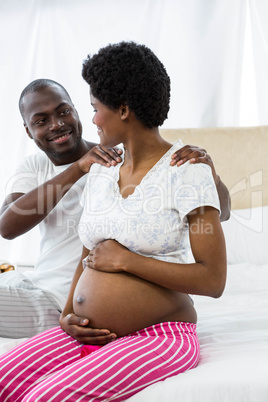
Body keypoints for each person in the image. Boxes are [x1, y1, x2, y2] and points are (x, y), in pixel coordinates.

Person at [0, 41, 227, 401]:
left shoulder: (187, 169)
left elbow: (213, 280)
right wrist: (69, 313)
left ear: (123, 110)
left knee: (43, 397)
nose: (89, 120)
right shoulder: (102, 168)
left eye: (93, 108)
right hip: (84, 329)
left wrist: (126, 260)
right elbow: (89, 250)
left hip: (159, 334)